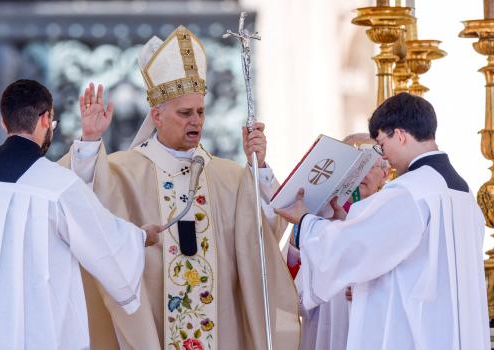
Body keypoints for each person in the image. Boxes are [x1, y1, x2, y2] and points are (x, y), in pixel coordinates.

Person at [60, 26, 300, 349]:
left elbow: (262, 237)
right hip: (155, 328)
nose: (196, 121)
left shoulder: (229, 177)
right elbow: (85, 209)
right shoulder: (123, 172)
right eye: (185, 113)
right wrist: (90, 141)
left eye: (200, 112)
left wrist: (259, 167)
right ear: (156, 116)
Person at [0, 79, 162, 349]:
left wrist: (89, 139)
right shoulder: (57, 186)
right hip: (31, 333)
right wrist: (140, 237)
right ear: (45, 119)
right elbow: (104, 240)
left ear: (3, 122)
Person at [276, 92, 489, 349]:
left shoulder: (411, 191)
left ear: (399, 135)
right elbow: (416, 260)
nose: (383, 155)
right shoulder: (463, 194)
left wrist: (306, 220)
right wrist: (349, 221)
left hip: (414, 334)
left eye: (381, 143)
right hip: (449, 332)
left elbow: (354, 246)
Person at [290, 133, 390, 350]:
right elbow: (291, 298)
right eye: (353, 165)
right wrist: (299, 237)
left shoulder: (391, 220)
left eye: (367, 164)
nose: (359, 173)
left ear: (385, 172)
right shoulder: (314, 221)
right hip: (323, 332)